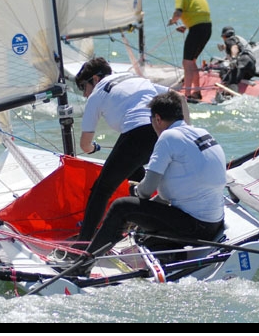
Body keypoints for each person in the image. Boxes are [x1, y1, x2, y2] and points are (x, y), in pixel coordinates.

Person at [81, 91, 226, 266]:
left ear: (157, 119)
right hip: (215, 223)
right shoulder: (200, 132)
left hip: (196, 227)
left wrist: (134, 190)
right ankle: (171, 257)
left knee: (121, 207)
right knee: (145, 232)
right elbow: (177, 188)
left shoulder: (168, 137)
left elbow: (146, 191)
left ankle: (83, 264)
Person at [73, 57, 182, 245]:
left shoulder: (98, 93)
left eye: (83, 86)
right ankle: (143, 223)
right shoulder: (134, 78)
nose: (84, 94)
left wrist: (93, 148)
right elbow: (178, 96)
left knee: (101, 189)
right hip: (164, 131)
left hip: (138, 133)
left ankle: (83, 243)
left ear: (96, 79)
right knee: (134, 170)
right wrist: (185, 129)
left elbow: (84, 145)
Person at [167, 0, 212, 101]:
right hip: (207, 28)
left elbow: (178, 13)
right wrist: (186, 26)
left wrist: (172, 21)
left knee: (186, 62)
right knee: (192, 61)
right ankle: (196, 92)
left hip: (196, 29)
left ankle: (186, 94)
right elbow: (199, 14)